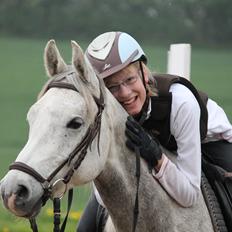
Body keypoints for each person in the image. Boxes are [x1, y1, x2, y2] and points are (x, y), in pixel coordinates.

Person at [76, 31, 232, 231]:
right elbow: (105, 198)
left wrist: (157, 157)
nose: (124, 93)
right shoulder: (106, 115)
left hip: (209, 140)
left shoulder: (182, 103)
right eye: (112, 87)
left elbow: (189, 195)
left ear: (144, 72)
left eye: (130, 80)